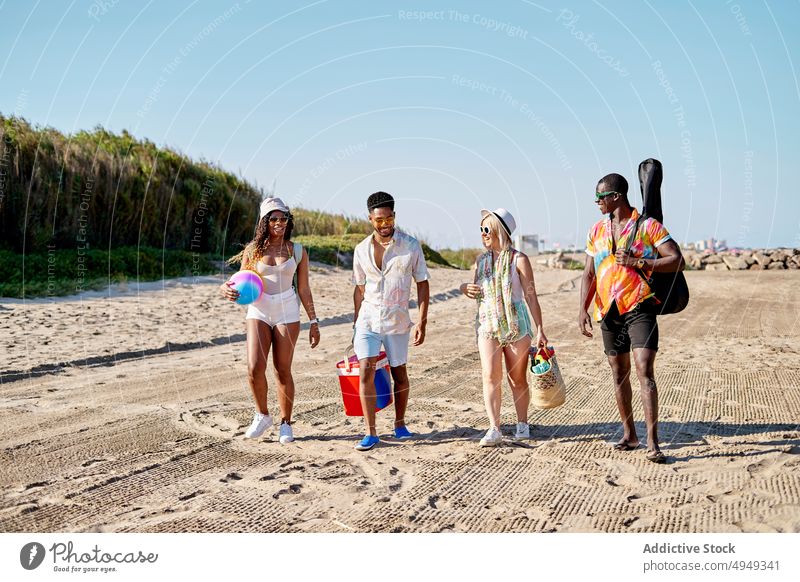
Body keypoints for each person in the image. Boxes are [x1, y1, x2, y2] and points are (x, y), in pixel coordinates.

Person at [577, 173, 684, 463]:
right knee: (618, 372)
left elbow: (676, 259)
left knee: (644, 369)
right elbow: (588, 273)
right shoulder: (596, 230)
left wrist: (639, 262)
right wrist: (582, 310)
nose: (597, 202)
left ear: (616, 197)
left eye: (600, 197)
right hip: (607, 310)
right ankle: (630, 435)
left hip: (639, 305)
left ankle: (653, 442)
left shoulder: (647, 226)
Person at [220, 197, 320, 444]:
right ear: (265, 222)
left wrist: (314, 321)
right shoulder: (253, 250)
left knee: (282, 369)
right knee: (254, 367)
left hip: (287, 310)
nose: (279, 223)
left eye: (283, 218)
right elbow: (238, 280)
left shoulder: (297, 251)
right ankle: (262, 415)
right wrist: (225, 287)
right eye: (273, 219)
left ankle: (286, 424)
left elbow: (304, 289)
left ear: (288, 221)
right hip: (259, 310)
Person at [460, 208, 548, 447]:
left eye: (486, 229)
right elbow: (475, 288)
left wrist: (540, 329)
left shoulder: (519, 259)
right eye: (480, 230)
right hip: (487, 322)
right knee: (490, 375)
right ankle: (494, 427)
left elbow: (531, 296)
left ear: (500, 230)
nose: (483, 234)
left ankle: (522, 423)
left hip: (516, 323)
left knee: (517, 378)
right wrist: (464, 288)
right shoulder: (481, 260)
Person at [351, 191, 430, 451]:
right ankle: (370, 432)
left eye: (388, 219)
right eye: (378, 220)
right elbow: (359, 288)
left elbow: (422, 283)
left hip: (397, 319)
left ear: (394, 217)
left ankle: (399, 423)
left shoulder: (410, 245)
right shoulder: (361, 249)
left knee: (400, 374)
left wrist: (422, 320)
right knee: (366, 371)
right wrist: (355, 324)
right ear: (370, 219)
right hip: (368, 319)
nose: (384, 225)